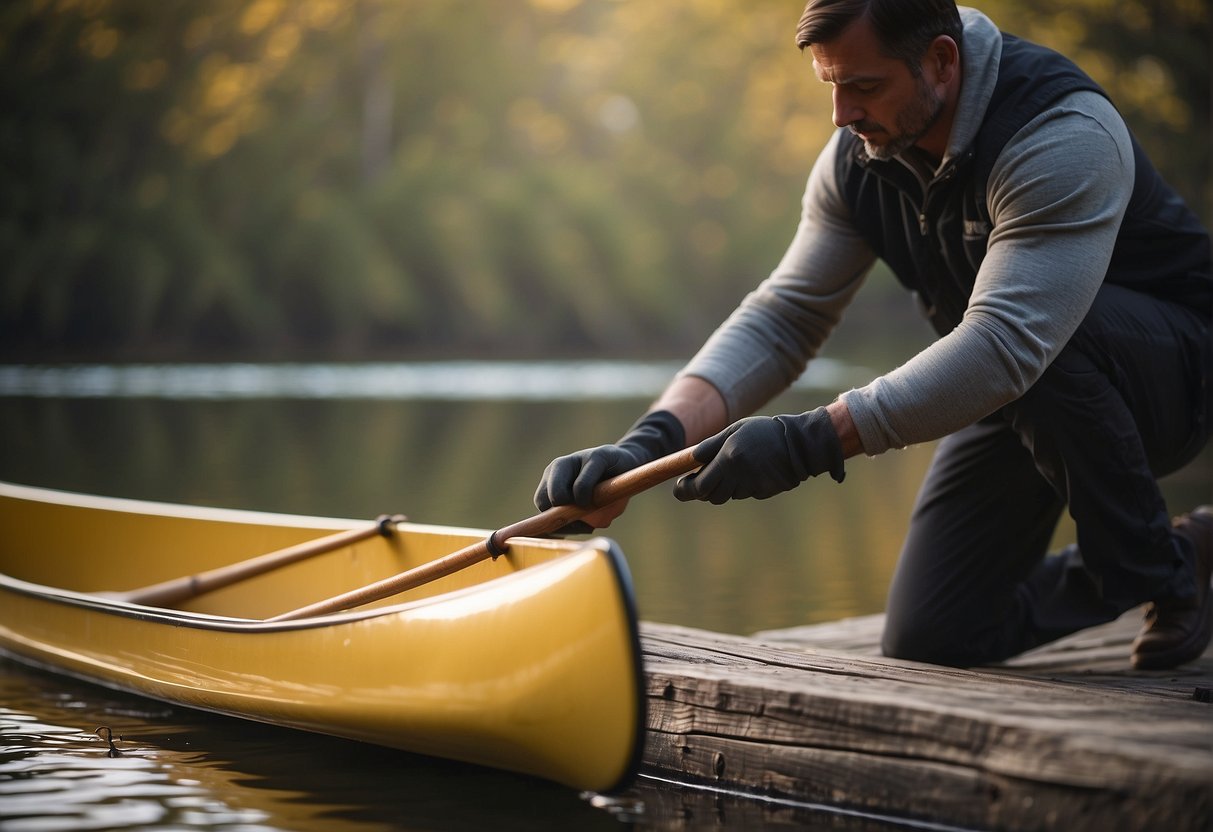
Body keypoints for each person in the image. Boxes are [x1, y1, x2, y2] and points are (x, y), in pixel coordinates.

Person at [534, 0, 1212, 669]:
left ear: (940, 62)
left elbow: (1009, 342)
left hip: (1168, 381)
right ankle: (1184, 549)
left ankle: (1161, 578)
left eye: (863, 86)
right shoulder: (858, 157)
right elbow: (783, 318)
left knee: (1048, 340)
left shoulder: (1058, 133)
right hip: (1019, 388)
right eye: (831, 86)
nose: (841, 115)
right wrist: (647, 441)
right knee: (935, 635)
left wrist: (814, 439)